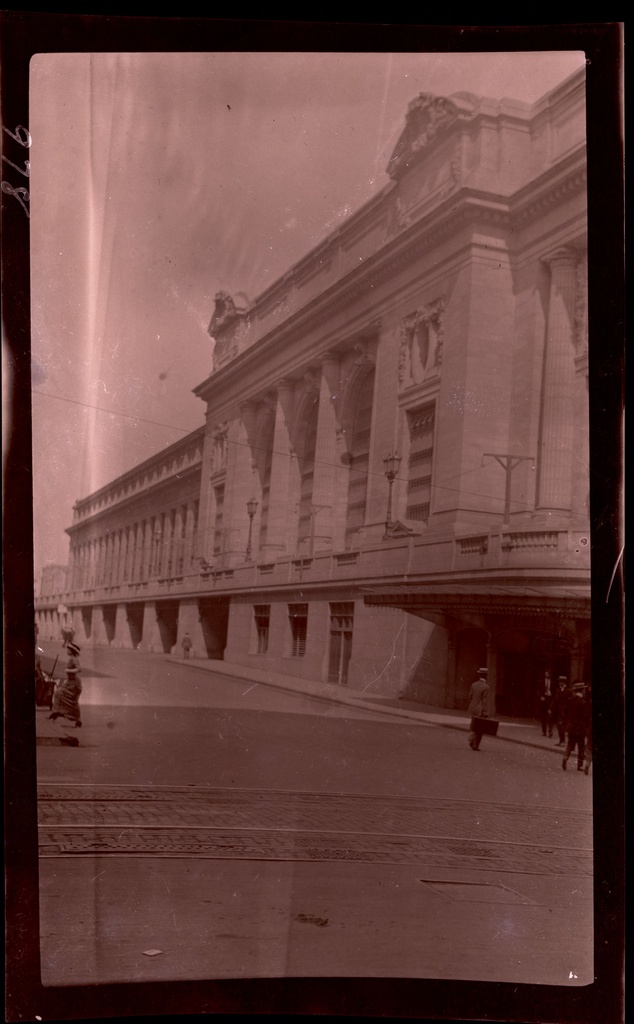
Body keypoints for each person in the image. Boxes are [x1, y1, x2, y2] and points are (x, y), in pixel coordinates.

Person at [49, 641, 82, 728]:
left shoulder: (73, 659)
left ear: (72, 651)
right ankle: (57, 712)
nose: (67, 650)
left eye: (68, 649)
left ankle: (59, 712)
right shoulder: (72, 658)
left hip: (74, 683)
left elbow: (79, 669)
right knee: (63, 696)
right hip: (71, 681)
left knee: (67, 698)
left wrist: (68, 670)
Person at [562, 682, 589, 771]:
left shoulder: (569, 700)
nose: (585, 691)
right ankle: (580, 765)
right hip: (580, 727)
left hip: (571, 726)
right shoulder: (583, 702)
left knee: (570, 744)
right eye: (584, 689)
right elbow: (585, 716)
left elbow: (565, 713)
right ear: (581, 690)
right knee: (581, 746)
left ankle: (565, 757)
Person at [467, 667, 489, 751]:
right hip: (480, 709)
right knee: (480, 727)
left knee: (474, 724)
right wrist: (485, 711)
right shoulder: (486, 686)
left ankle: (472, 740)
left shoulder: (474, 684)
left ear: (479, 675)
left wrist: (472, 704)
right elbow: (484, 700)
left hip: (472, 708)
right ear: (486, 676)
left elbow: (469, 696)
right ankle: (474, 743)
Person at [550, 675, 570, 746]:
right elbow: (555, 700)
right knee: (559, 726)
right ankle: (561, 741)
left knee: (562, 726)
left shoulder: (568, 691)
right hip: (558, 711)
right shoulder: (558, 690)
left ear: (564, 682)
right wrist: (551, 708)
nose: (559, 683)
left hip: (565, 712)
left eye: (561, 682)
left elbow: (569, 702)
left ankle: (563, 741)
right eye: (559, 682)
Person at [538, 670, 554, 737]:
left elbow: (555, 691)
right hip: (544, 699)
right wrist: (541, 696)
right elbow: (538, 690)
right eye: (545, 673)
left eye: (547, 674)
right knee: (543, 716)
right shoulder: (541, 681)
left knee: (550, 716)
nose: (546, 675)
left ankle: (550, 730)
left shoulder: (553, 682)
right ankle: (544, 731)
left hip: (550, 699)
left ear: (550, 675)